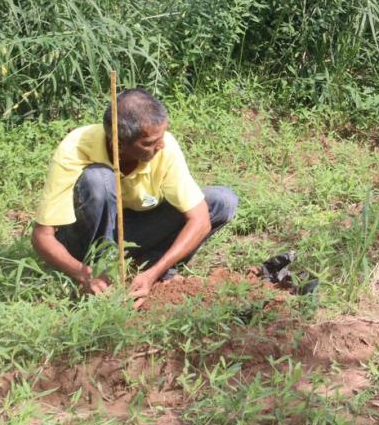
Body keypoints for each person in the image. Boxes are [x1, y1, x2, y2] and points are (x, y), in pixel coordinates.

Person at [30, 88, 238, 299]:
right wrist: (83, 274)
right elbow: (42, 236)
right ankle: (103, 271)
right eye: (149, 143)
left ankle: (149, 264)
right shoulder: (76, 147)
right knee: (98, 179)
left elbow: (200, 220)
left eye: (162, 135)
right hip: (84, 238)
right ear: (118, 145)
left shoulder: (164, 147)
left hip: (131, 231)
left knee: (221, 201)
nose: (161, 145)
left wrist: (153, 273)